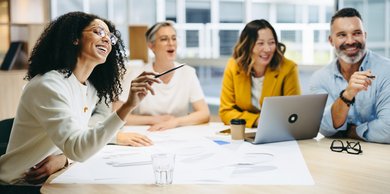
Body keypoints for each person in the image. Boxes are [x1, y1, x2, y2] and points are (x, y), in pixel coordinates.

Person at [0, 11, 159, 185]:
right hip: (20, 184)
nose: (106, 39)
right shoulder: (48, 85)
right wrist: (128, 106)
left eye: (110, 37)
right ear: (75, 38)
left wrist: (63, 160)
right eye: (98, 32)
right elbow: (79, 149)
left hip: (54, 178)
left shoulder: (89, 88)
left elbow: (80, 142)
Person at [309, 8, 390, 144]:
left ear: (365, 35)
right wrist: (347, 95)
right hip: (337, 154)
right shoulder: (320, 78)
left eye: (357, 33)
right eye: (342, 35)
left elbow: (388, 129)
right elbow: (323, 126)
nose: (350, 41)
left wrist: (351, 132)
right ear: (331, 40)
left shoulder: (387, 71)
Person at [113, 21, 210, 132]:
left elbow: (204, 113)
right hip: (145, 133)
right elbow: (116, 115)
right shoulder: (137, 75)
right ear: (151, 45)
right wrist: (155, 119)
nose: (171, 43)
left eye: (174, 38)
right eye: (164, 39)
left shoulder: (188, 72)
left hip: (178, 134)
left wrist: (174, 122)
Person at [219, 19, 301, 128]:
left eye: (271, 42)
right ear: (247, 46)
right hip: (245, 132)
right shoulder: (233, 67)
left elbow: (294, 112)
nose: (267, 49)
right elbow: (226, 112)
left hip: (278, 131)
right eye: (260, 43)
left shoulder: (288, 68)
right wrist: (257, 120)